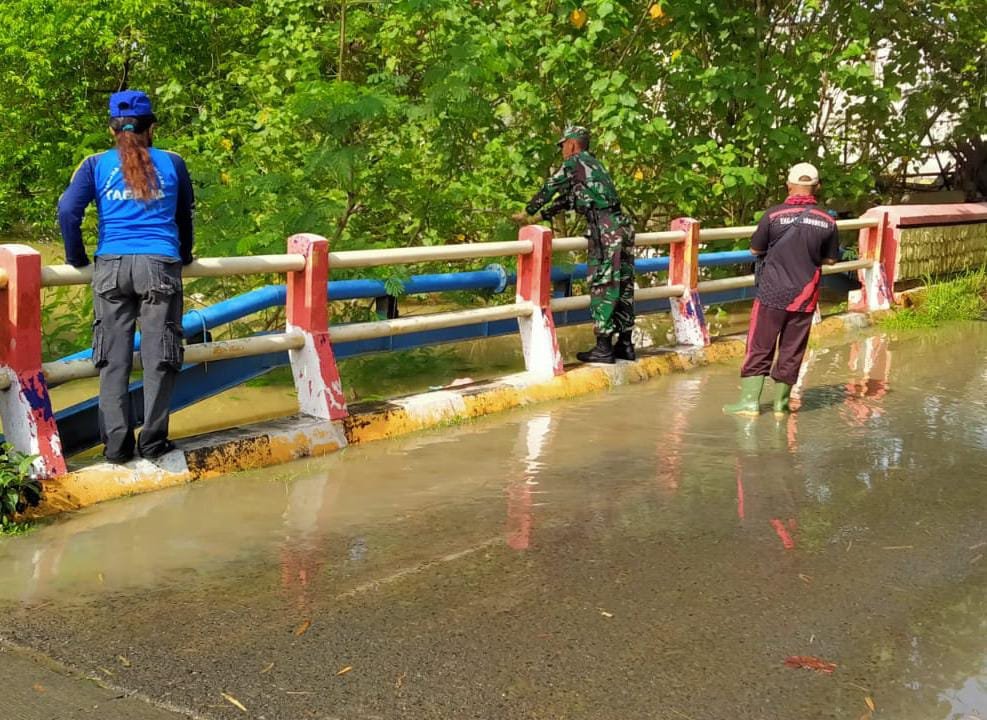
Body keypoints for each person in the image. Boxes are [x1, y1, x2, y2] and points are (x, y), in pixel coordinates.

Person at [58, 90, 194, 462]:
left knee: (113, 360)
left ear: (111, 129)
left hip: (111, 267)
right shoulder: (174, 162)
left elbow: (68, 211)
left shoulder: (94, 164)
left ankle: (117, 448)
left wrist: (77, 258)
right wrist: (184, 255)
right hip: (160, 266)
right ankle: (153, 443)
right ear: (152, 128)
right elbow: (184, 216)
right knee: (160, 356)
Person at [724, 162, 839, 416]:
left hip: (771, 294)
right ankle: (781, 406)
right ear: (817, 187)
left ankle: (750, 403)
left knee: (759, 345)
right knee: (792, 349)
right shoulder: (828, 220)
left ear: (788, 185)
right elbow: (831, 259)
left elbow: (755, 249)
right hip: (805, 296)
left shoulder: (773, 215)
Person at [523, 126, 635, 364]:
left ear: (572, 144)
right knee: (624, 284)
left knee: (604, 284)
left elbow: (551, 186)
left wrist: (528, 211)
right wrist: (542, 215)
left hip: (605, 229)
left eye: (563, 145)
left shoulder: (574, 162)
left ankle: (603, 347)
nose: (562, 150)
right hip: (622, 226)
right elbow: (569, 199)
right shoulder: (593, 167)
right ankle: (625, 344)